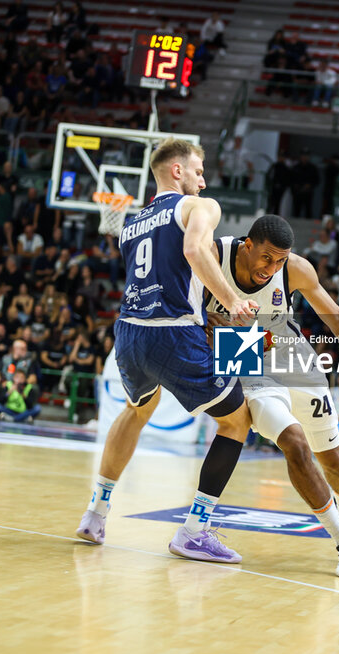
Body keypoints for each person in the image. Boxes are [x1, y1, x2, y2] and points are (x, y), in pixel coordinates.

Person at [75, 138, 258, 567]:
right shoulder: (199, 207)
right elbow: (193, 250)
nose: (204, 179)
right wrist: (232, 300)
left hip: (128, 332)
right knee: (237, 420)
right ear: (177, 171)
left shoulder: (133, 221)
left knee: (139, 408)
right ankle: (195, 531)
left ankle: (96, 513)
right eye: (198, 170)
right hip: (172, 331)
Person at [205, 214, 339, 576]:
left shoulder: (295, 269)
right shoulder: (212, 256)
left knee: (335, 462)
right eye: (266, 258)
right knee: (294, 443)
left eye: (280, 260)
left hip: (294, 358)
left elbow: (338, 321)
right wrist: (207, 328)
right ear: (248, 245)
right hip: (246, 362)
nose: (272, 268)